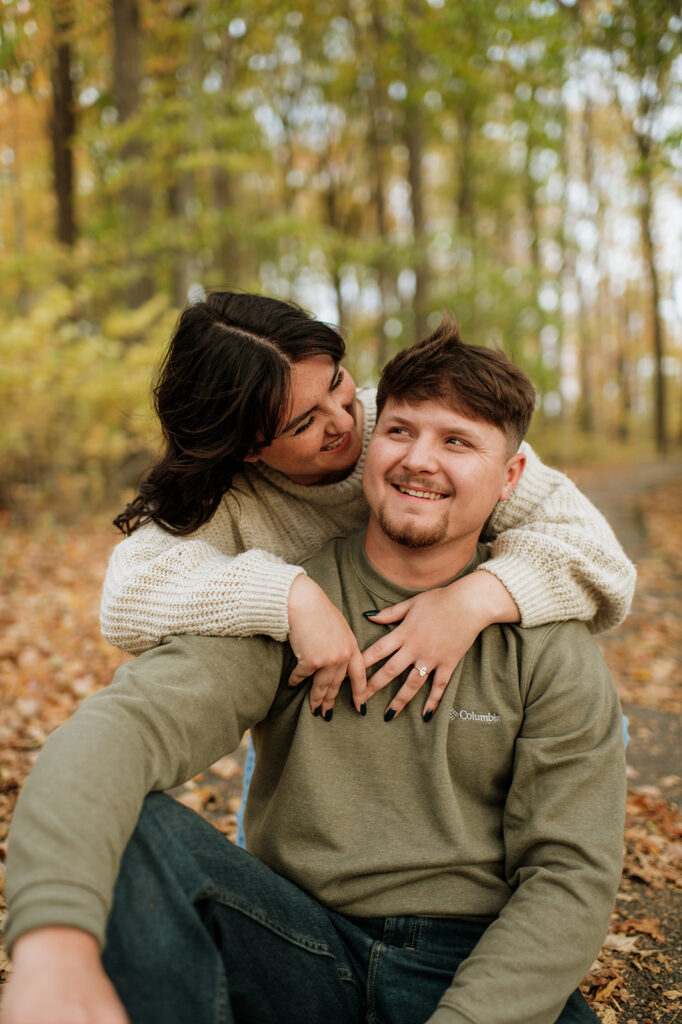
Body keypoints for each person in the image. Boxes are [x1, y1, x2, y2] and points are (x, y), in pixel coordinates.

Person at [3, 320, 626, 1024]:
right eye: (401, 432)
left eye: (456, 442)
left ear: (511, 475)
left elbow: (569, 875)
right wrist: (51, 943)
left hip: (471, 964)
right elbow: (117, 732)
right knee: (132, 828)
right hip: (297, 943)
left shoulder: (549, 640)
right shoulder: (275, 602)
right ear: (372, 446)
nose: (420, 460)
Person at [100, 292, 635, 726]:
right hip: (320, 710)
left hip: (476, 698)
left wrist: (470, 600)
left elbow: (603, 560)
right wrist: (290, 594)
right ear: (246, 446)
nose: (345, 420)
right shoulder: (229, 497)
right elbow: (128, 596)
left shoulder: (420, 424)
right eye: (303, 422)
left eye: (337, 382)